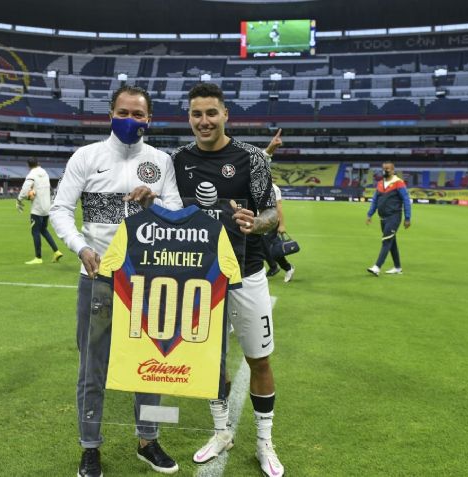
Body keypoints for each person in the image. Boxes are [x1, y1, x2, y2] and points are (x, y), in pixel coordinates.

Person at [50, 85, 183, 477]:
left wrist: (152, 202)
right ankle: (90, 447)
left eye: (138, 114)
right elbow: (60, 209)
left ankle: (149, 439)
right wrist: (79, 247)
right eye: (123, 112)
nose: (130, 120)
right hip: (100, 279)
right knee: (92, 368)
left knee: (153, 363)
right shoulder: (87, 157)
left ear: (149, 119)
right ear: (110, 113)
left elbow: (175, 211)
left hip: (149, 280)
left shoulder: (161, 161)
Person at [172, 82, 285, 477]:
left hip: (247, 273)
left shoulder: (253, 158)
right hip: (202, 278)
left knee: (259, 359)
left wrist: (256, 223)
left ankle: (264, 442)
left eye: (211, 113)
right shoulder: (177, 161)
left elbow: (272, 215)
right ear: (189, 118)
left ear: (225, 115)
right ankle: (221, 432)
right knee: (208, 360)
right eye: (196, 114)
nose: (204, 121)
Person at [365, 160, 412, 276]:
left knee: (386, 241)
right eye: (383, 168)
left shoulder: (398, 183)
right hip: (383, 218)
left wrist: (407, 218)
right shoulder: (380, 183)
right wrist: (369, 214)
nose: (385, 171)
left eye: (388, 169)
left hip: (394, 217)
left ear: (393, 170)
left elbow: (406, 200)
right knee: (392, 242)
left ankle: (377, 267)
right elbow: (375, 200)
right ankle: (397, 267)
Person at [16, 159, 63, 264]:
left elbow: (24, 190)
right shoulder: (45, 173)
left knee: (35, 232)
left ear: (28, 166)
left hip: (37, 209)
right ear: (38, 164)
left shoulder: (31, 175)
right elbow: (49, 189)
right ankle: (56, 251)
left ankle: (38, 257)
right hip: (47, 207)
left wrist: (19, 199)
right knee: (43, 230)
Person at [264, 183, 296, 282]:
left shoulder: (273, 188)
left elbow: (279, 207)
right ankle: (273, 267)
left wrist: (282, 225)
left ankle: (287, 268)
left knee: (269, 248)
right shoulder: (254, 184)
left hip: (271, 221)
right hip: (259, 220)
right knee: (263, 247)